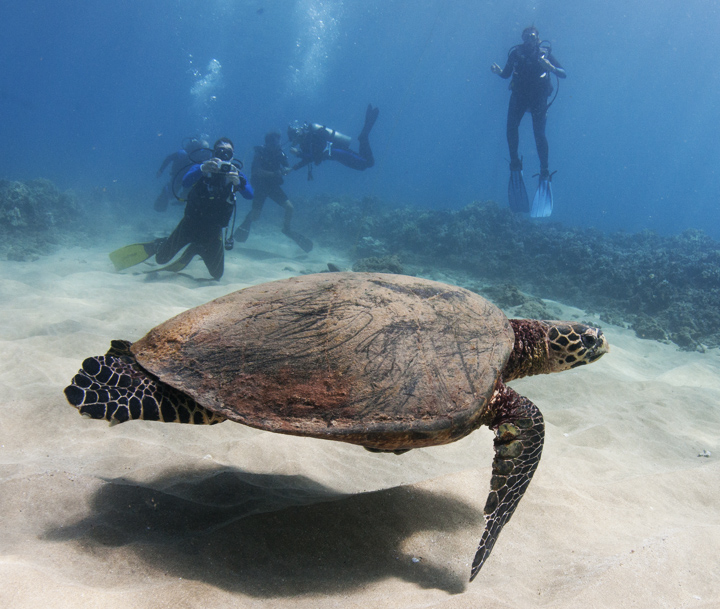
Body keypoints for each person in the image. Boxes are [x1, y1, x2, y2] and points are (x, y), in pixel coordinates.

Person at [109, 138, 253, 280]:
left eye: (228, 152)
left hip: (214, 229)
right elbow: (185, 182)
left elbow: (250, 195)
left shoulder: (236, 174)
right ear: (214, 153)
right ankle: (159, 245)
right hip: (190, 223)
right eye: (220, 151)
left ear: (232, 155)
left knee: (217, 274)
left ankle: (197, 248)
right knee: (161, 258)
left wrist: (239, 183)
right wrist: (202, 169)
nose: (224, 155)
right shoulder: (202, 167)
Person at [492, 27, 566, 217]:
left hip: (538, 98)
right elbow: (506, 74)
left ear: (538, 38)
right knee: (511, 127)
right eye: (526, 37)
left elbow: (563, 73)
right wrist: (498, 71)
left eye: (532, 37)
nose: (529, 40)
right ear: (522, 38)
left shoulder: (545, 53)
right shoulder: (515, 53)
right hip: (519, 96)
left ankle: (544, 170)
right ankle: (515, 163)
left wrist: (551, 68)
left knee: (539, 134)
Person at [234, 130, 313, 252]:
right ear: (268, 144)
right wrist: (275, 173)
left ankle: (286, 229)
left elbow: (286, 167)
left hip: (273, 187)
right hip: (261, 186)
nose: (278, 146)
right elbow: (257, 171)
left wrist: (286, 170)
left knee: (289, 208)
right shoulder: (260, 153)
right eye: (275, 144)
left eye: (278, 143)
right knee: (255, 216)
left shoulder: (280, 153)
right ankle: (248, 219)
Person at [287, 104, 379, 180]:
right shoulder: (304, 144)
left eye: (293, 139)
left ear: (296, 135)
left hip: (338, 152)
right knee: (364, 165)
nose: (294, 142)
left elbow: (315, 155)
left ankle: (363, 137)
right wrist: (292, 168)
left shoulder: (310, 138)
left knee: (366, 164)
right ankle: (363, 137)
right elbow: (308, 159)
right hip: (337, 155)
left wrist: (298, 153)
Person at [153, 137, 209, 212]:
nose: (203, 153)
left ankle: (177, 199)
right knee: (172, 194)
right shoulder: (184, 153)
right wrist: (161, 170)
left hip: (190, 179)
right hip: (179, 176)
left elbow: (169, 158)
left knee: (186, 195)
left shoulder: (203, 157)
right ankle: (165, 192)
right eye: (202, 150)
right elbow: (169, 158)